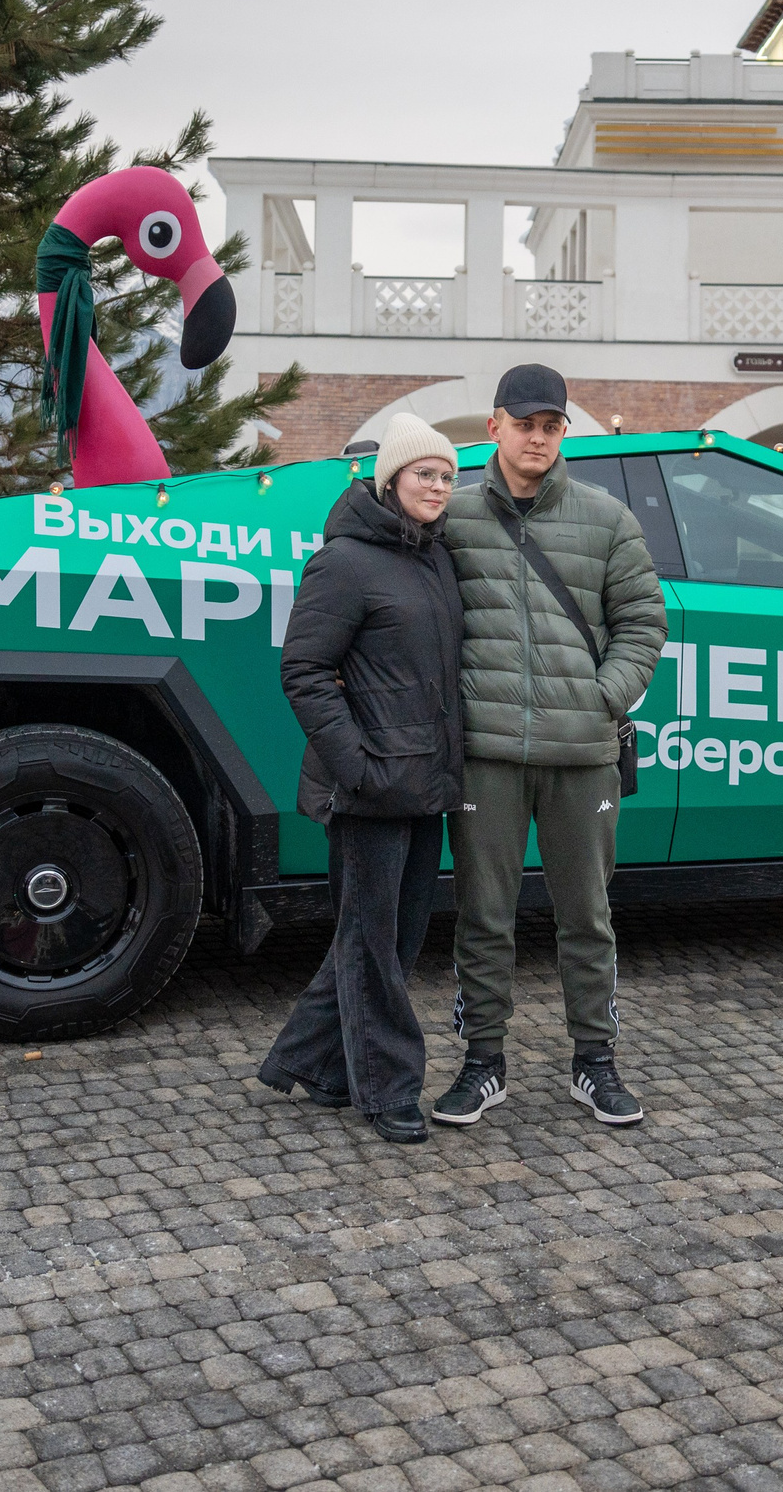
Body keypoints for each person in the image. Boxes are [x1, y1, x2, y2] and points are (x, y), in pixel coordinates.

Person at [431, 364, 667, 1127]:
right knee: (483, 917)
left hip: (583, 753)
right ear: (493, 426)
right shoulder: (453, 517)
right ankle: (483, 1063)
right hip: (486, 753)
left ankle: (595, 1063)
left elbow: (643, 622)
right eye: (524, 423)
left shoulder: (606, 519)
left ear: (564, 431)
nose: (538, 437)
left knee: (586, 917)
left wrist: (602, 697)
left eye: (551, 425)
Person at [260, 414, 466, 1145]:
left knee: (391, 938)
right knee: (372, 941)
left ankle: (314, 1065)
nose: (439, 486)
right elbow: (303, 670)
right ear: (390, 480)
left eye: (446, 476)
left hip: (424, 784)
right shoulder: (344, 561)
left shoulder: (434, 558)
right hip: (370, 787)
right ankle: (386, 1089)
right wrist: (355, 764)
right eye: (424, 474)